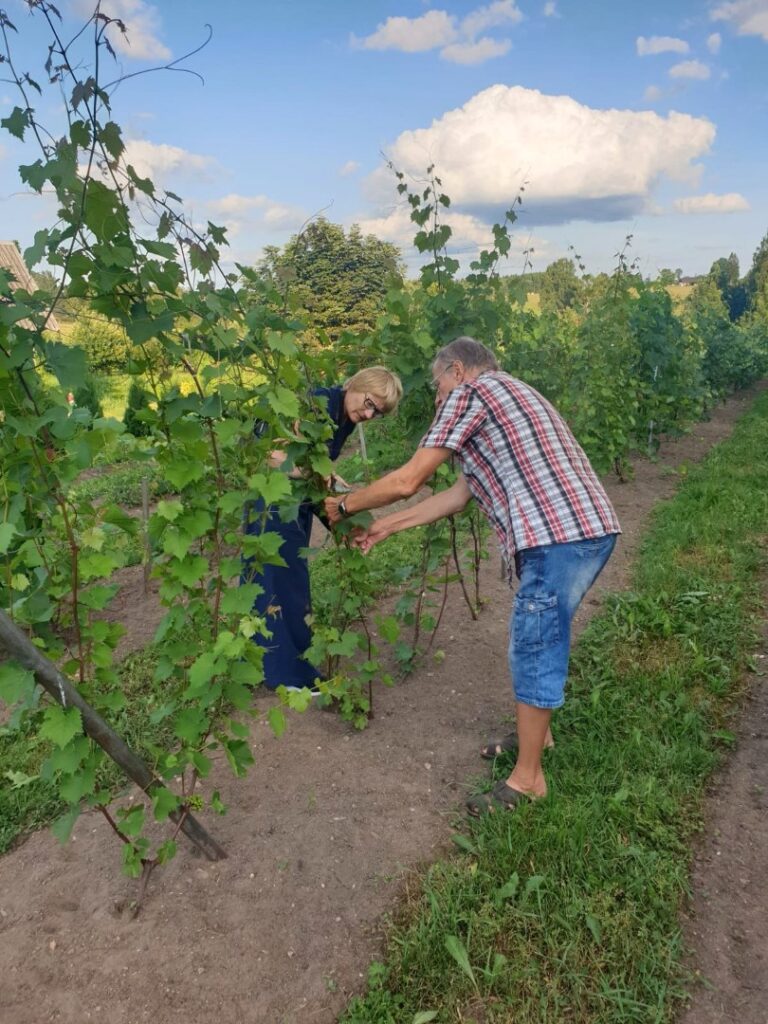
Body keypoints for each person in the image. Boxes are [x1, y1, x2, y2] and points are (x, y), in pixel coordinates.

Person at [324, 337, 620, 813]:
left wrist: (343, 505)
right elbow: (459, 495)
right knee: (540, 636)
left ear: (457, 371)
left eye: (437, 390)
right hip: (585, 530)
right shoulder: (511, 394)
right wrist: (382, 528)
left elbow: (408, 480)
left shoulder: (472, 395)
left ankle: (527, 781)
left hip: (558, 537)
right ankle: (535, 741)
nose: (438, 402)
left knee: (535, 643)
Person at [243, 367, 403, 694]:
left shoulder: (342, 415)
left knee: (280, 580)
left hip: (293, 503)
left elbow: (318, 471)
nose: (369, 414)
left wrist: (338, 511)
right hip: (273, 502)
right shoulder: (317, 406)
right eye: (370, 403)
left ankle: (263, 663)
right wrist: (315, 473)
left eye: (378, 413)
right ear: (358, 385)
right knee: (282, 582)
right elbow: (266, 452)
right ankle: (289, 677)